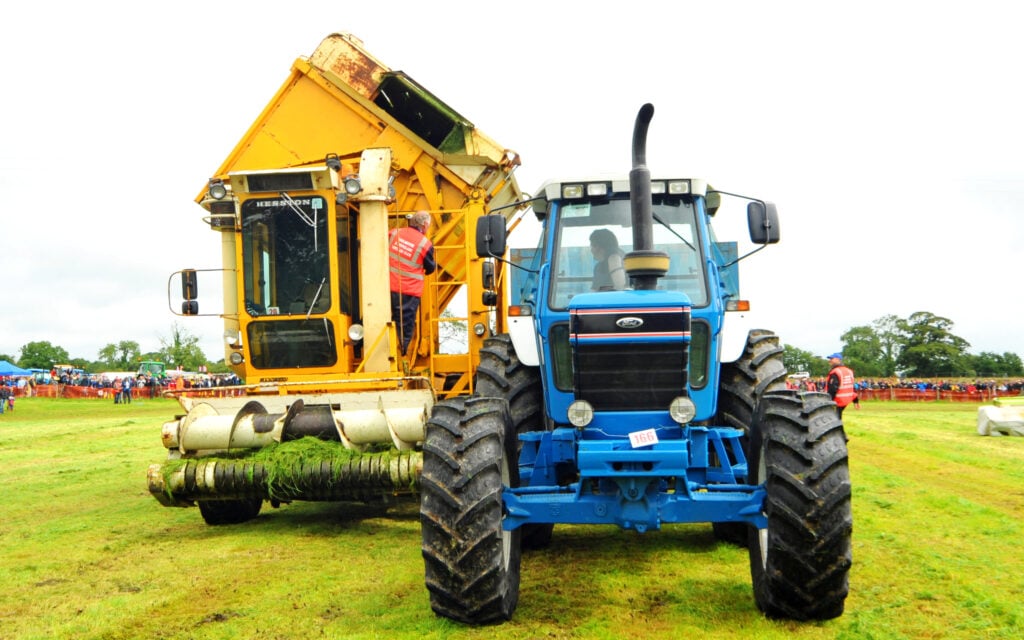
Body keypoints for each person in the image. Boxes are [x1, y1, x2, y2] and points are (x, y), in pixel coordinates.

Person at [389, 210, 437, 354]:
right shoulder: (425, 244)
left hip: (387, 286)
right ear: (425, 224)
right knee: (404, 326)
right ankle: (401, 353)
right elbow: (430, 268)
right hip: (408, 292)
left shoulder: (394, 233)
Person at [825, 352, 857, 418]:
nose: (829, 360)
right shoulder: (849, 371)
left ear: (838, 359)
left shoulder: (835, 372)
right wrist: (856, 401)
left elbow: (833, 389)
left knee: (834, 419)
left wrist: (828, 402)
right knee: (837, 418)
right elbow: (852, 387)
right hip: (845, 401)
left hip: (837, 401)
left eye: (831, 358)